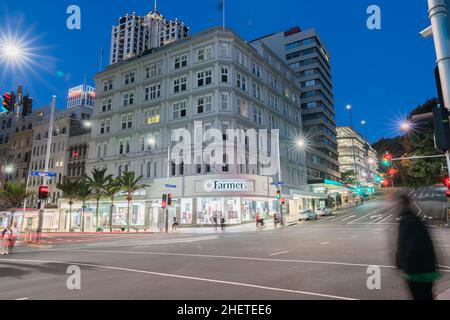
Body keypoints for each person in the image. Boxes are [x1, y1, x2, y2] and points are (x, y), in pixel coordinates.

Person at [395, 195, 440, 300]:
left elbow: (402, 245)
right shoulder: (419, 220)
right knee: (428, 296)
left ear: (402, 205)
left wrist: (400, 264)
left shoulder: (405, 221)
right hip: (429, 269)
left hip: (415, 271)